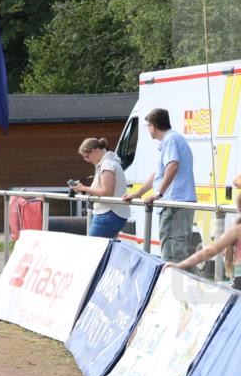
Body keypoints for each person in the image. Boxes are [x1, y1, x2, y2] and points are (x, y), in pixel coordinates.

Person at [122, 107, 196, 263]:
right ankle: (177, 285)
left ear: (153, 127)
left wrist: (158, 193)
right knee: (177, 252)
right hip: (178, 203)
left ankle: (175, 287)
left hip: (174, 204)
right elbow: (158, 173)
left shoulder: (170, 140)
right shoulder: (172, 139)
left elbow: (173, 165)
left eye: (147, 126)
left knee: (173, 254)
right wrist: (138, 193)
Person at [71, 137, 131, 238]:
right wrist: (82, 189)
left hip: (108, 214)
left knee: (93, 249)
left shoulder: (107, 165)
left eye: (86, 156)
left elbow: (107, 192)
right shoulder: (109, 163)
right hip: (111, 214)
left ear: (95, 151)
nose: (86, 160)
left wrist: (83, 188)